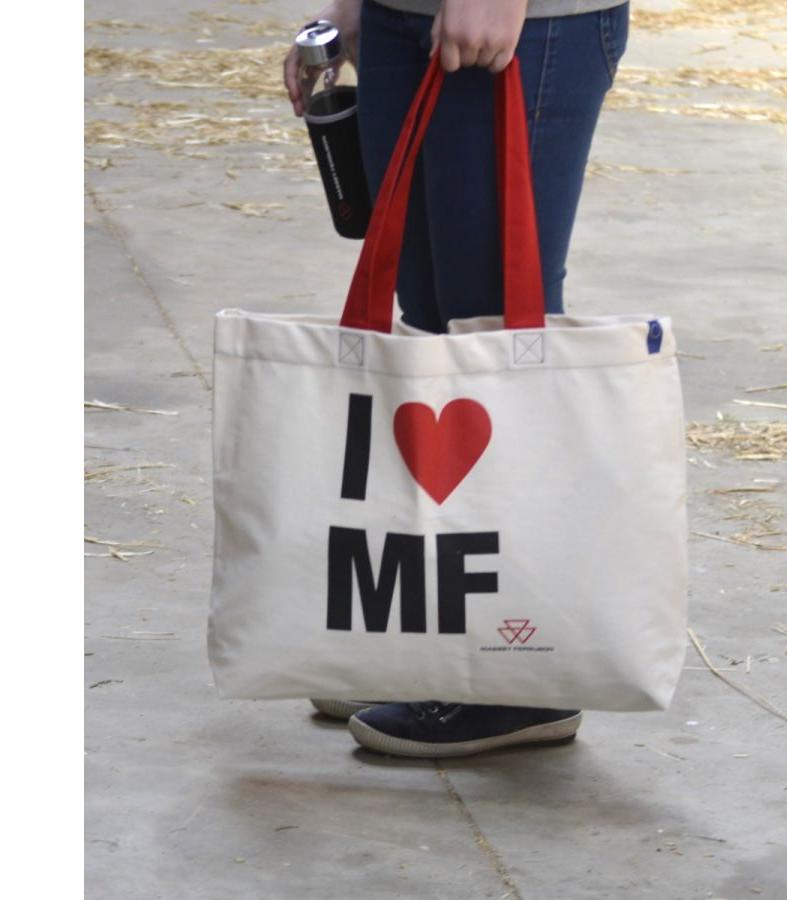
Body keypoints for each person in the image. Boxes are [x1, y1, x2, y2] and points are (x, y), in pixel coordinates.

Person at [284, 0, 630, 757]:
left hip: (520, 21)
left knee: (494, 328)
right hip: (406, 14)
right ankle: (444, 647)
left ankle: (522, 677)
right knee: (437, 326)